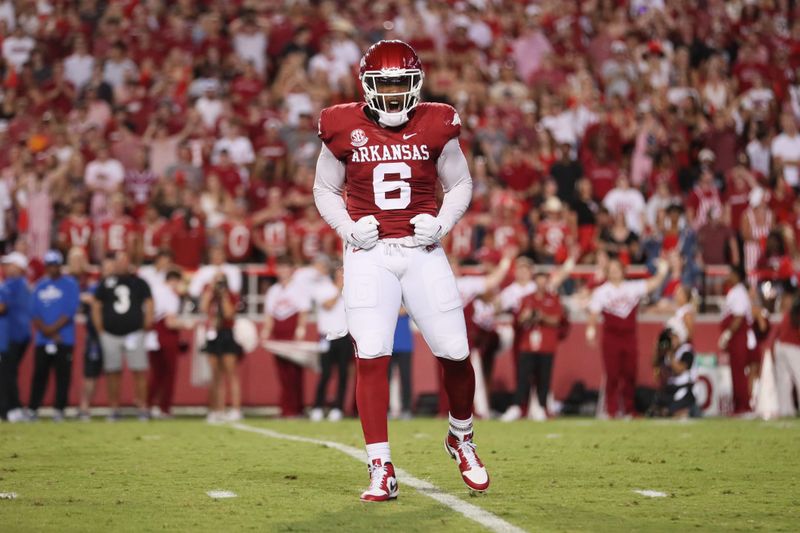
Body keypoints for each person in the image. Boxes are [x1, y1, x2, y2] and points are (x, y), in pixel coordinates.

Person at [313, 40, 486, 501]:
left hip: (422, 248)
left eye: (400, 84)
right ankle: (380, 466)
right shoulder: (340, 124)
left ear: (417, 85)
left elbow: (461, 183)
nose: (392, 95)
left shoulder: (438, 121)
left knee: (454, 350)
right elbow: (324, 189)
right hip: (368, 254)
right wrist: (349, 228)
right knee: (371, 353)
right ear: (366, 86)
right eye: (383, 85)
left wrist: (443, 223)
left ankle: (461, 436)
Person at [586, 257, 669, 418]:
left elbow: (653, 284)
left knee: (630, 373)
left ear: (623, 271)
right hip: (611, 337)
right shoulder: (601, 291)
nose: (615, 272)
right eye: (611, 269)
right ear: (607, 272)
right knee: (612, 374)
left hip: (629, 336)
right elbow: (593, 313)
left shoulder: (632, 287)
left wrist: (662, 271)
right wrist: (590, 330)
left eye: (617, 268)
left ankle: (630, 409)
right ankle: (612, 410)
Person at [91, 250, 153, 421]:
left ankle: (142, 406)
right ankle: (114, 408)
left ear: (129, 263)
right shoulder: (106, 282)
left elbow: (149, 302)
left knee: (139, 370)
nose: (121, 264)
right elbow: (96, 304)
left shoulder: (139, 282)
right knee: (112, 372)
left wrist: (147, 323)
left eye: (125, 261)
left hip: (134, 332)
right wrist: (100, 329)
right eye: (119, 261)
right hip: (111, 333)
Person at [501, 270, 565, 422]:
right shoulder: (526, 299)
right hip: (527, 344)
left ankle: (541, 407)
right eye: (539, 280)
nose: (541, 284)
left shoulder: (554, 299)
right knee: (523, 377)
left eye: (544, 280)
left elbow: (557, 320)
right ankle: (517, 407)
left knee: (544, 377)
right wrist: (525, 317)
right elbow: (519, 321)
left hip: (546, 344)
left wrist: (542, 316)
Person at [28, 250, 80, 421]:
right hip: (43, 339)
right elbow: (34, 312)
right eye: (49, 265)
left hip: (64, 338)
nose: (52, 268)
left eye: (55, 265)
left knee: (63, 375)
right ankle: (33, 409)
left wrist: (53, 330)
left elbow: (70, 310)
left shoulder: (70, 284)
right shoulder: (40, 285)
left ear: (60, 266)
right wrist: (47, 331)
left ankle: (59, 409)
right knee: (39, 374)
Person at [261, 257, 310, 418]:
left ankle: (297, 408)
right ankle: (286, 408)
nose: (282, 271)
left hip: (291, 332)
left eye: (285, 267)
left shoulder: (299, 288)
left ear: (291, 269)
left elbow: (303, 311)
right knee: (282, 373)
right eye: (280, 267)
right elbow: (269, 314)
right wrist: (266, 331)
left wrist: (301, 329)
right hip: (279, 333)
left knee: (295, 372)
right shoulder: (274, 290)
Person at [309, 265, 352, 422]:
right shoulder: (324, 288)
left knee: (343, 374)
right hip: (326, 336)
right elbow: (328, 305)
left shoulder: (351, 290)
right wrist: (338, 290)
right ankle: (318, 407)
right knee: (325, 374)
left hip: (344, 336)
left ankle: (338, 408)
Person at [199, 272, 243, 423]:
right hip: (212, 333)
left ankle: (236, 409)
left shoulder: (231, 295)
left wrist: (224, 296)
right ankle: (217, 409)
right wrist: (210, 290)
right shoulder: (210, 295)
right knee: (215, 375)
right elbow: (203, 308)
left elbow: (229, 314)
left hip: (226, 334)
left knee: (231, 373)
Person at [147, 270, 186, 419]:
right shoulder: (170, 294)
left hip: (152, 334)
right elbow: (170, 322)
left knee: (156, 373)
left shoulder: (155, 289)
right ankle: (164, 407)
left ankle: (148, 405)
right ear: (175, 281)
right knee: (168, 373)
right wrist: (187, 324)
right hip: (166, 335)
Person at [77, 250, 109, 421]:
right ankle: (84, 406)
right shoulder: (94, 287)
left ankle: (113, 409)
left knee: (114, 372)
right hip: (96, 336)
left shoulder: (120, 286)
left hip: (114, 334)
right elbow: (81, 299)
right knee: (90, 373)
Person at [718, 267, 755, 415]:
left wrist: (727, 334)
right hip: (737, 336)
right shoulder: (736, 291)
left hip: (739, 336)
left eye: (731, 274)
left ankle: (743, 406)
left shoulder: (738, 292)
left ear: (737, 276)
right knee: (736, 371)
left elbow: (739, 317)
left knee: (739, 371)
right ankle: (740, 404)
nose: (728, 277)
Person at [0, 252, 32, 422]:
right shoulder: (24, 284)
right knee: (8, 372)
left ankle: (12, 408)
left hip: (11, 335)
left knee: (7, 373)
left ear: (19, 267)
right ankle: (8, 408)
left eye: (9, 264)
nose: (5, 267)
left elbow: (2, 307)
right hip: (20, 334)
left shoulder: (10, 284)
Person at [774, 289, 800, 417]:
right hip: (792, 345)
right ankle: (786, 411)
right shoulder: (796, 309)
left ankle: (785, 411)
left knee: (784, 381)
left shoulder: (793, 308)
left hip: (780, 345)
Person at [389, 308, 413, 419]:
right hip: (387, 344)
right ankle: (385, 409)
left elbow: (407, 310)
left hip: (405, 344)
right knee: (385, 379)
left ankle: (407, 409)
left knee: (406, 378)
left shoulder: (407, 296)